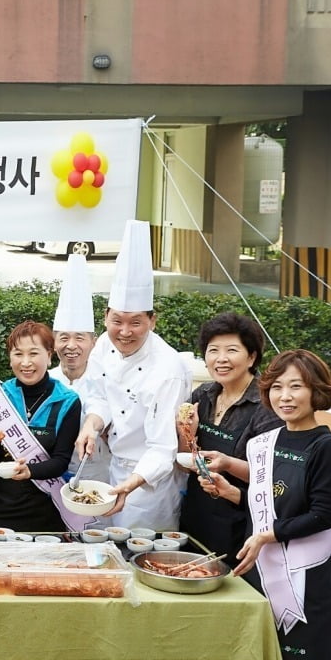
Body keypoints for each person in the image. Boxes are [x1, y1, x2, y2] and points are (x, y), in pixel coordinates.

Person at [201, 350, 331, 660]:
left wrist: (269, 535)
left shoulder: (325, 445)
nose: (285, 396)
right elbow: (268, 507)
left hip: (310, 582)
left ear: (317, 392)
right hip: (265, 573)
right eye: (277, 387)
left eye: (297, 387)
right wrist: (230, 494)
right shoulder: (266, 442)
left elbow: (324, 513)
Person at [75, 220, 190, 530]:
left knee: (142, 553)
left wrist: (132, 483)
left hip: (152, 483)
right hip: (115, 468)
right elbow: (101, 395)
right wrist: (91, 424)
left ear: (152, 320)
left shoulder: (168, 370)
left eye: (135, 322)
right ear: (106, 317)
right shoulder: (102, 344)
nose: (124, 332)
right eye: (117, 321)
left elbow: (164, 448)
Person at [176, 313, 281, 557]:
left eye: (232, 350)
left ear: (251, 356)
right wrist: (187, 435)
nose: (221, 359)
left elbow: (274, 477)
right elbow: (185, 462)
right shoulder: (202, 395)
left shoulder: (266, 406)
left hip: (241, 520)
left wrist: (228, 464)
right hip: (197, 514)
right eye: (213, 350)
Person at [0, 321, 82, 532]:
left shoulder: (67, 401)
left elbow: (61, 460)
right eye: (17, 354)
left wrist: (30, 470)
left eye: (33, 353)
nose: (25, 362)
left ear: (49, 355)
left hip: (45, 509)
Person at [47, 253, 109, 484]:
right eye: (64, 337)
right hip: (49, 478)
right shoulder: (45, 381)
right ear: (54, 342)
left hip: (98, 476)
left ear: (93, 342)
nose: (71, 346)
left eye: (80, 338)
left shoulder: (106, 380)